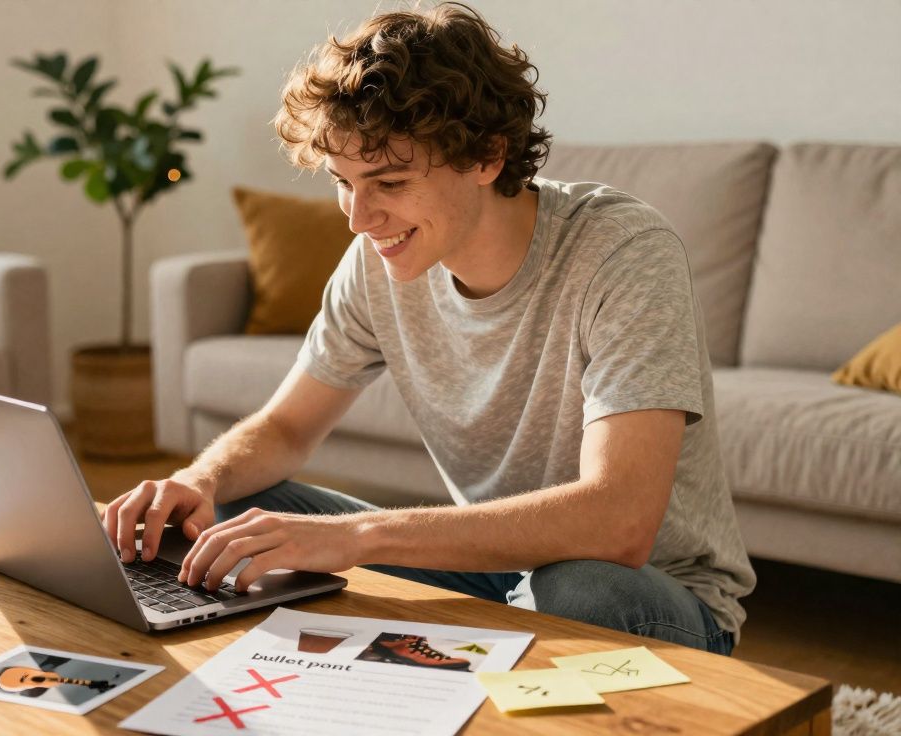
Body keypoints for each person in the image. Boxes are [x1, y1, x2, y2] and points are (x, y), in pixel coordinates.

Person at [103, 2, 754, 654]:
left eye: (388, 181)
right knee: (233, 514)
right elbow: (285, 428)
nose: (360, 218)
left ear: (488, 156)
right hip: (493, 573)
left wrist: (361, 537)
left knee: (577, 589)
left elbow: (619, 521)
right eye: (343, 183)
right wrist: (199, 480)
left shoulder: (622, 250)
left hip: (652, 594)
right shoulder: (376, 261)